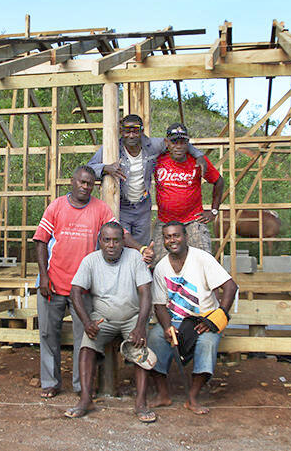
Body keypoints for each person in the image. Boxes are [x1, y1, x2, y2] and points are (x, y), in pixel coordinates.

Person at [33, 165, 151, 399]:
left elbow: (119, 233)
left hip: (83, 289)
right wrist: (44, 276)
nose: (85, 187)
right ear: (72, 181)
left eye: (90, 184)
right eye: (82, 182)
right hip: (53, 284)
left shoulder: (100, 209)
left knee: (84, 338)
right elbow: (40, 241)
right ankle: (50, 382)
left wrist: (140, 248)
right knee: (48, 335)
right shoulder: (56, 206)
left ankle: (80, 386)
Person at [65, 222, 156, 423]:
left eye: (116, 240)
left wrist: (141, 325)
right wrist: (87, 321)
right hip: (102, 318)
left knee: (140, 347)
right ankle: (86, 399)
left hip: (132, 316)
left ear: (123, 242)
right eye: (107, 240)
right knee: (86, 346)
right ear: (100, 241)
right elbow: (75, 292)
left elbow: (146, 293)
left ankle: (141, 402)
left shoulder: (134, 258)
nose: (111, 245)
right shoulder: (91, 261)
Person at [147, 221, 238, 415]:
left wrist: (218, 317)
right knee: (155, 339)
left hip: (203, 319)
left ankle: (192, 398)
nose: (172, 240)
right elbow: (159, 305)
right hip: (176, 320)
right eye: (168, 237)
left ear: (186, 237)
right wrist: (166, 327)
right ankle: (163, 394)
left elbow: (230, 286)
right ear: (163, 240)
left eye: (176, 235)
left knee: (207, 343)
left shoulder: (202, 258)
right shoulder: (162, 267)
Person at [87, 114, 207, 246]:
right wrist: (105, 168)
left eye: (135, 131)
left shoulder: (152, 146)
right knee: (118, 243)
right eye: (127, 131)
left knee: (141, 247)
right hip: (122, 206)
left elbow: (177, 142)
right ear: (122, 132)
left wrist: (198, 155)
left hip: (142, 207)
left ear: (142, 131)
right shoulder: (112, 148)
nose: (131, 135)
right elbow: (88, 169)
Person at [152, 123, 224, 262]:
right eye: (174, 142)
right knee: (158, 264)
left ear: (187, 143)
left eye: (182, 142)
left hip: (193, 221)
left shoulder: (198, 161)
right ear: (167, 142)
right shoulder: (158, 159)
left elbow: (219, 181)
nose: (178, 146)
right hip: (165, 221)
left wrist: (214, 211)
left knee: (204, 262)